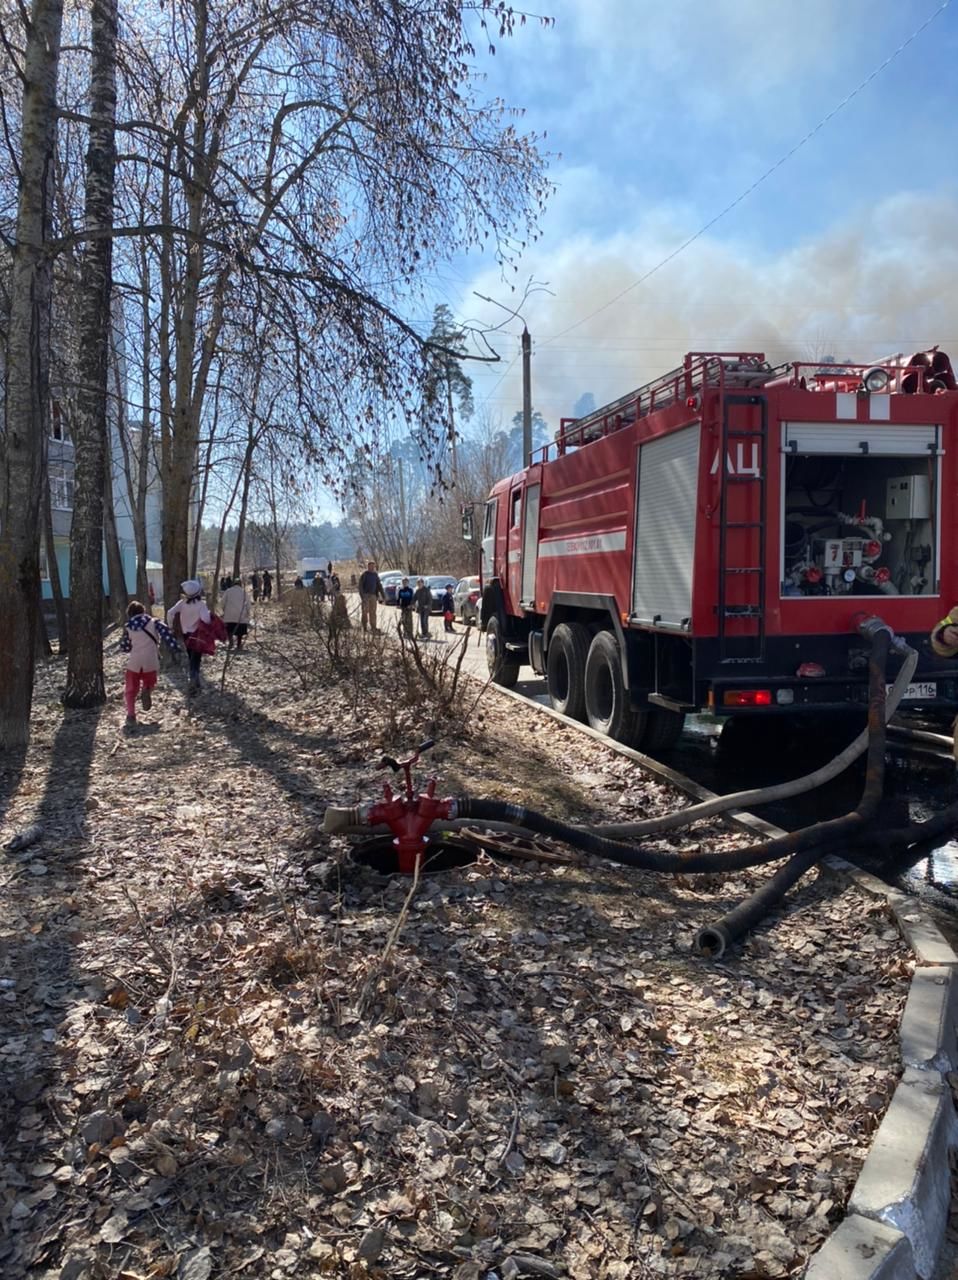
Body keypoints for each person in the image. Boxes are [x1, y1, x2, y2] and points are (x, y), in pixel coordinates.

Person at [119, 600, 180, 732]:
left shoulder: (128, 626)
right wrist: (175, 648)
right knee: (150, 681)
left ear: (129, 614)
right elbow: (167, 634)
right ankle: (146, 689)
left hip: (134, 662)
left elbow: (124, 647)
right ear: (143, 611)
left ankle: (131, 715)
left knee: (130, 690)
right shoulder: (154, 622)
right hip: (151, 660)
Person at [167, 579, 213, 695]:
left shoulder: (181, 603)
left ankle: (195, 680)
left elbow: (170, 612)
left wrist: (170, 626)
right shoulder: (201, 605)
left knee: (191, 656)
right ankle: (193, 679)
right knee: (196, 658)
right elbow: (206, 620)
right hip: (197, 634)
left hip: (186, 635)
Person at [221, 577, 251, 651]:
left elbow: (222, 602)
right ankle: (239, 643)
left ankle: (231, 641)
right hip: (241, 615)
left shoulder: (228, 591)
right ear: (240, 584)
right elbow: (248, 604)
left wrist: (224, 610)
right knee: (240, 631)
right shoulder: (244, 592)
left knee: (229, 629)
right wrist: (247, 612)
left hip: (229, 615)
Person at [358, 561, 385, 633]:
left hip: (373, 595)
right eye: (371, 566)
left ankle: (373, 627)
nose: (373, 568)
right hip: (366, 595)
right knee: (365, 612)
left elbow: (379, 585)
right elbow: (360, 586)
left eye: (374, 566)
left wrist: (383, 595)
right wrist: (362, 596)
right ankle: (364, 627)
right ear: (368, 566)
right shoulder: (364, 575)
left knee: (373, 612)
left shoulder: (375, 575)